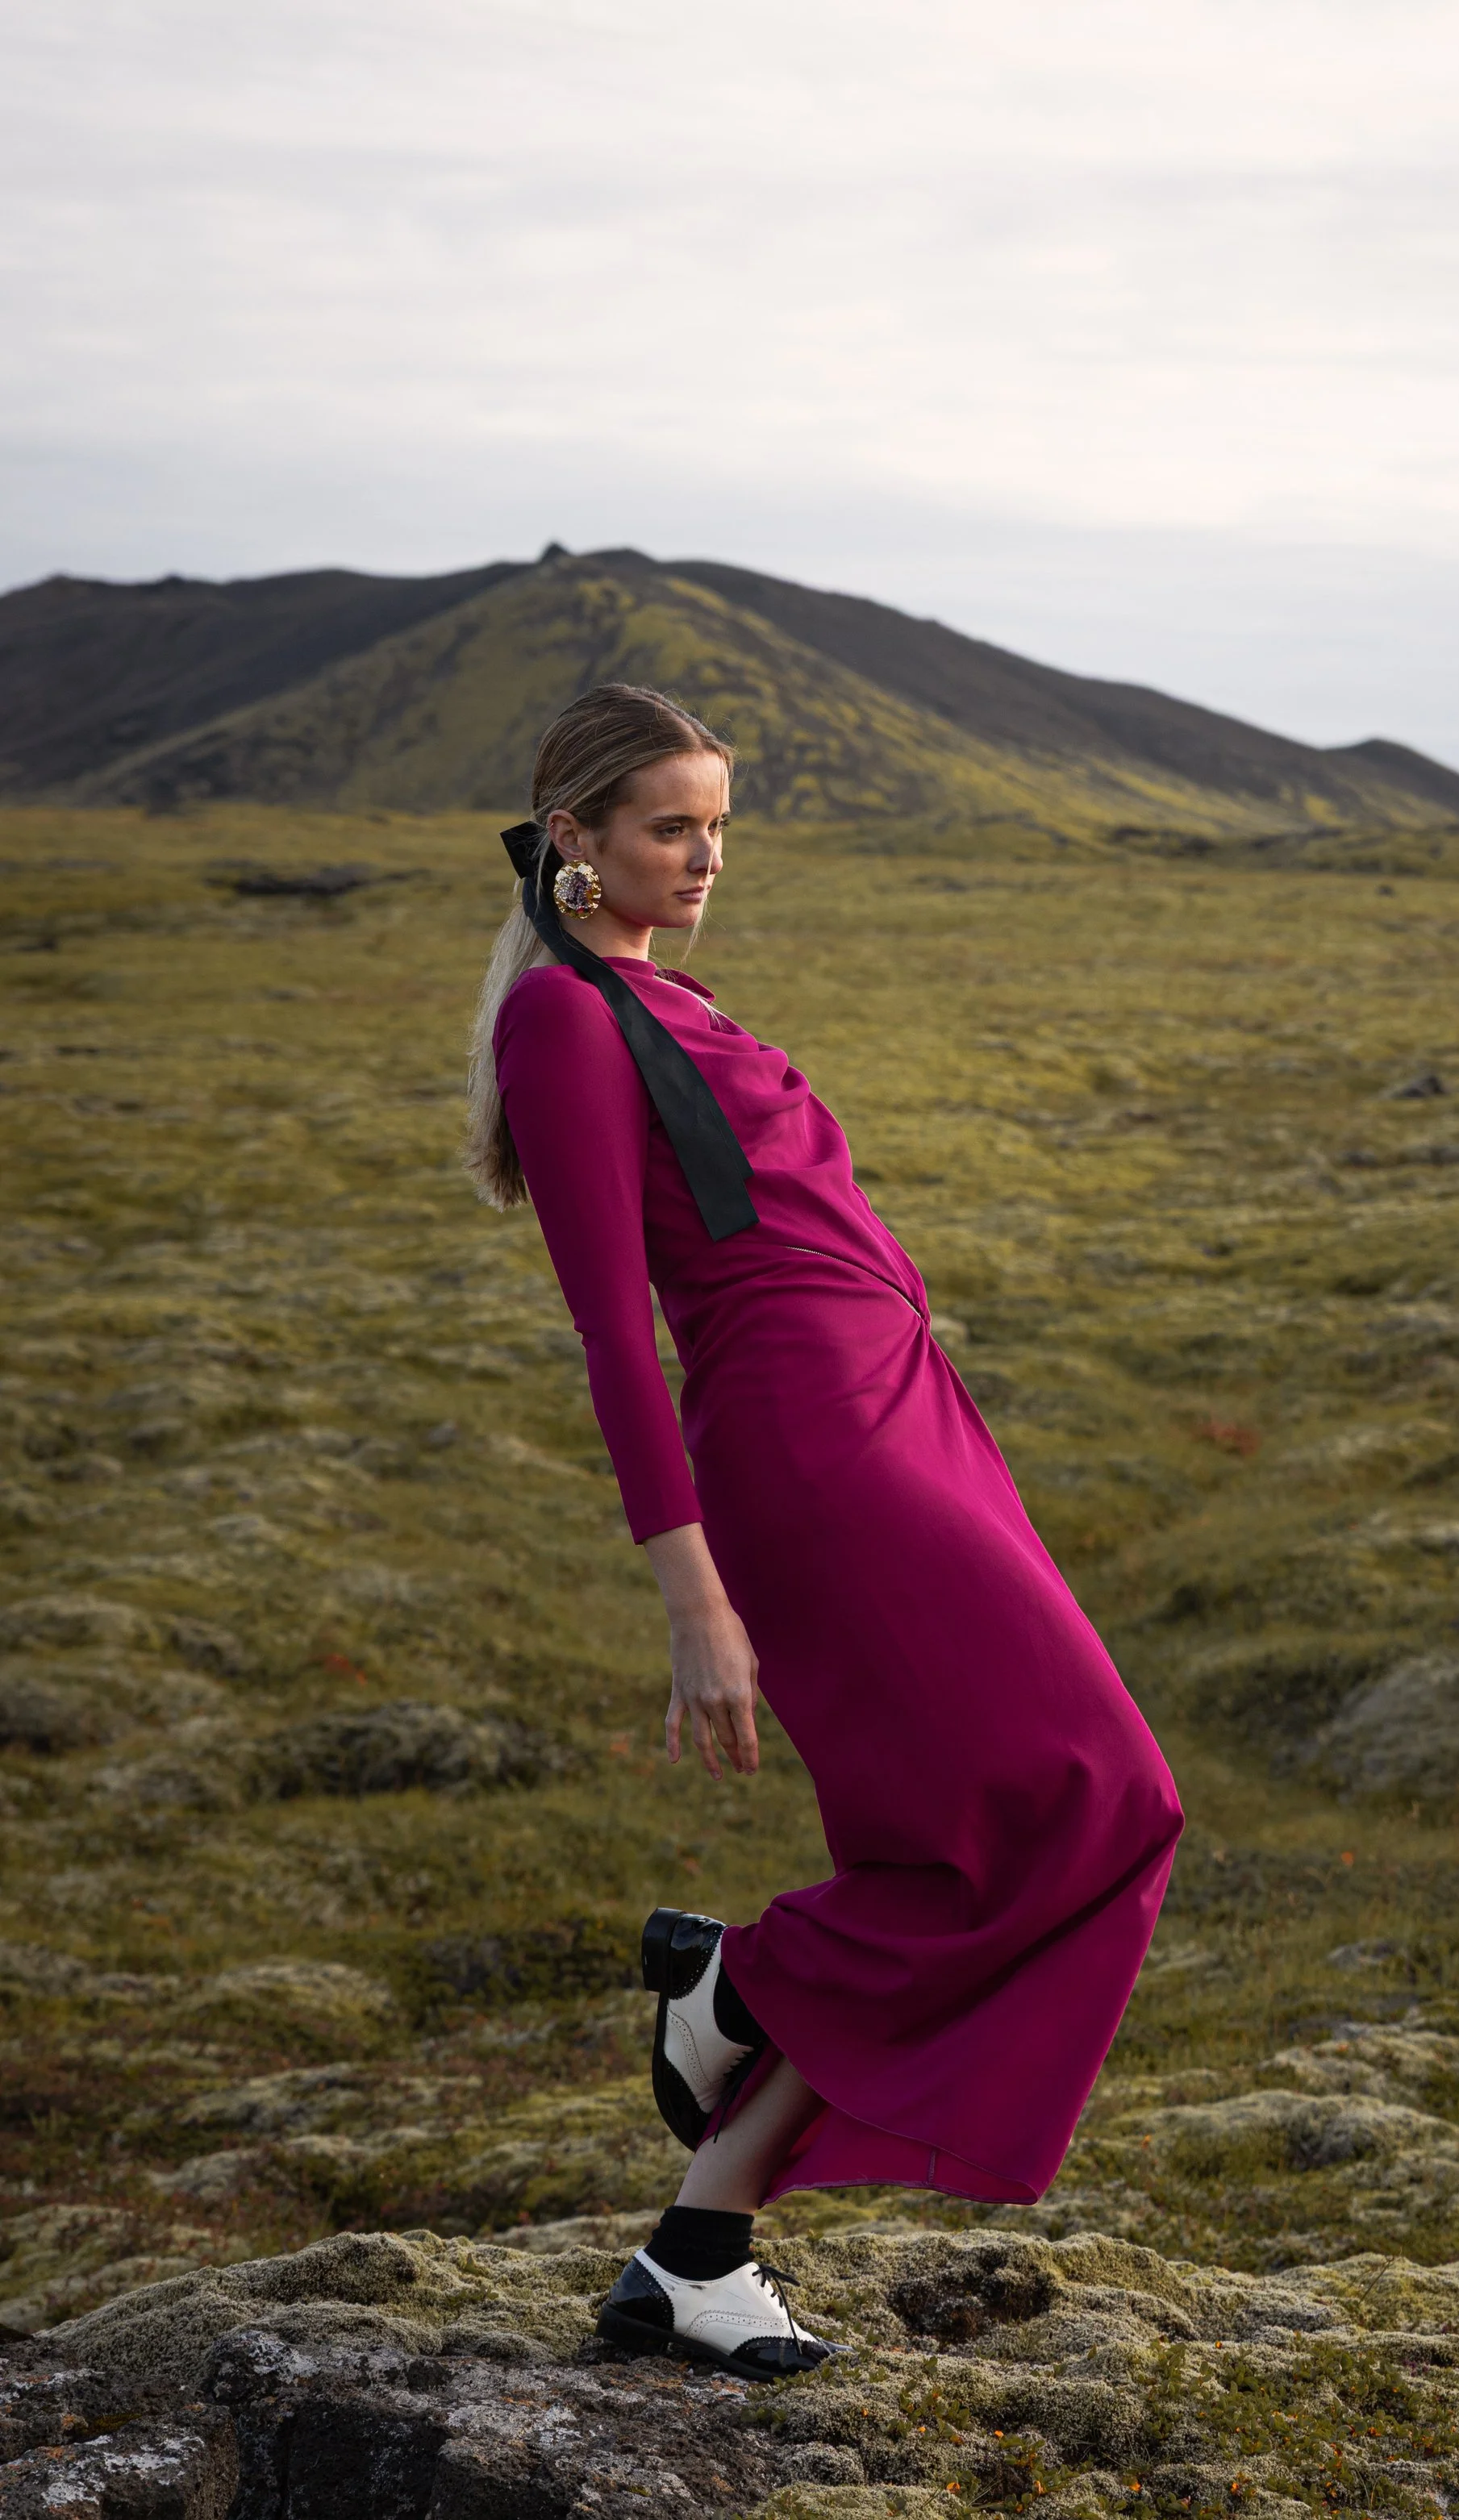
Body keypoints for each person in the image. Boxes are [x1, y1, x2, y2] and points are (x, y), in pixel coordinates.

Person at [466, 683, 1184, 2380]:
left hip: (907, 1414)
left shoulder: (665, 996)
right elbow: (611, 1333)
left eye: (718, 824)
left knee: (998, 1842)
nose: (705, 855)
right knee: (1099, 1793)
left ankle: (696, 2245)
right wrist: (691, 1594)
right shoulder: (564, 1019)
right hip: (816, 1446)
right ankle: (739, 1986)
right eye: (669, 826)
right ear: (573, 837)